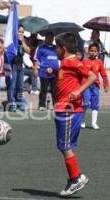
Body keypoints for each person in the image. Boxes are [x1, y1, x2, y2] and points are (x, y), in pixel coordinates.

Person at [54, 33, 96, 196]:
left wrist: (78, 91)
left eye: (57, 47)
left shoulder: (72, 61)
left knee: (65, 146)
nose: (55, 50)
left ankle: (76, 178)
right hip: (63, 109)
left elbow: (92, 76)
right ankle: (74, 178)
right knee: (64, 146)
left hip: (68, 111)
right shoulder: (65, 63)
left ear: (63, 49)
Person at [81, 43, 108, 130]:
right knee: (86, 103)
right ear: (88, 51)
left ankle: (94, 123)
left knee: (95, 105)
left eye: (95, 51)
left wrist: (106, 85)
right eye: (91, 51)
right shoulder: (84, 61)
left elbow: (104, 75)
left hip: (95, 86)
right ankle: (82, 121)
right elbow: (80, 73)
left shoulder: (99, 62)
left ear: (98, 52)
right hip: (86, 85)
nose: (93, 52)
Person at [6, 25, 30, 112]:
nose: (21, 33)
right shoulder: (12, 40)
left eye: (22, 32)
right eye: (19, 31)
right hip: (13, 66)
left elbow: (28, 50)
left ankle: (19, 103)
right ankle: (11, 103)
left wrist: (22, 41)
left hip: (20, 66)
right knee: (12, 86)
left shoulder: (24, 41)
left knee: (20, 87)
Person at [34, 32, 59, 111]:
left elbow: (60, 59)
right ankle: (42, 105)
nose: (50, 39)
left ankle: (56, 105)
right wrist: (35, 69)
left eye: (51, 37)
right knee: (43, 89)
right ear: (45, 38)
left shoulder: (57, 48)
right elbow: (36, 59)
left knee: (54, 89)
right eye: (48, 37)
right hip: (43, 72)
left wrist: (55, 69)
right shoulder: (40, 47)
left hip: (54, 73)